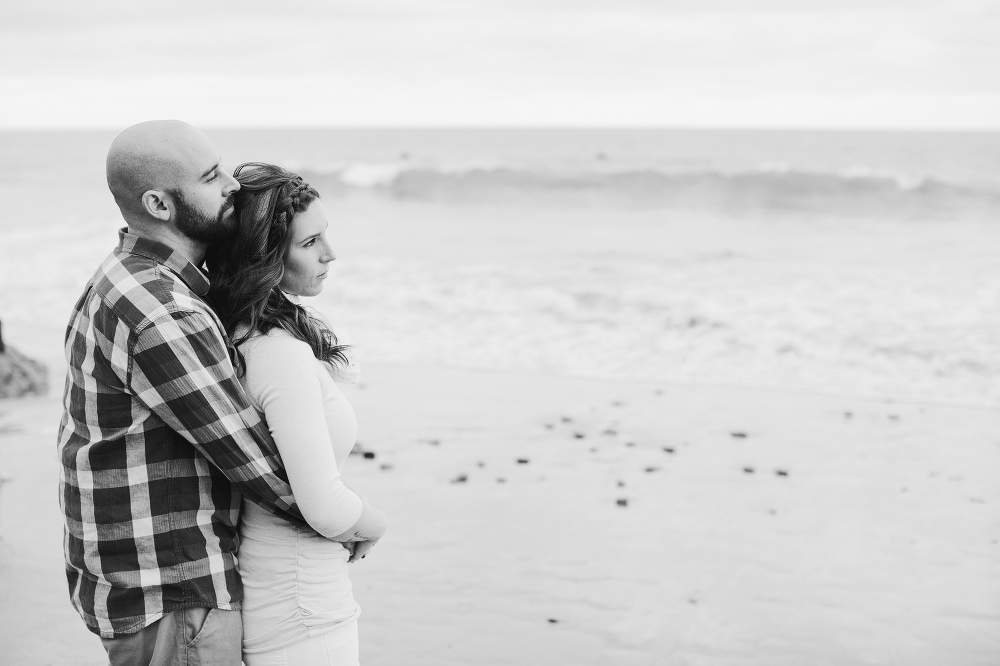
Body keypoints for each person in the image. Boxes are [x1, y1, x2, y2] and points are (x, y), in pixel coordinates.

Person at [56, 121, 373, 666]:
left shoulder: (123, 279)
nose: (230, 185)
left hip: (139, 578)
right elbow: (255, 462)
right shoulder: (164, 310)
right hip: (173, 586)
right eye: (210, 177)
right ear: (159, 203)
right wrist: (353, 521)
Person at [205, 162, 386, 666]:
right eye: (310, 243)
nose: (331, 254)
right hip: (302, 608)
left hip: (285, 595)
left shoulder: (242, 335)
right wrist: (375, 523)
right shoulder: (276, 352)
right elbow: (322, 504)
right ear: (263, 258)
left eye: (325, 235)